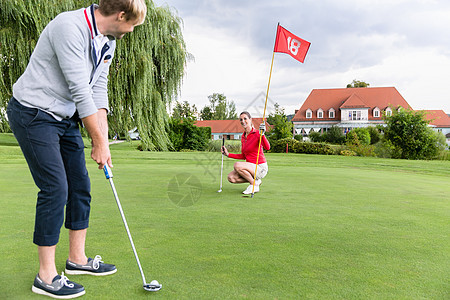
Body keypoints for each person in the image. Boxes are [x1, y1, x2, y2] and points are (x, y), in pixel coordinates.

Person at [6, 0, 147, 298]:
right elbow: (80, 90)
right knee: (55, 187)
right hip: (33, 112)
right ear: (121, 15)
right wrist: (96, 142)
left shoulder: (108, 41)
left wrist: (104, 142)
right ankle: (45, 276)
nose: (132, 30)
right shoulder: (69, 27)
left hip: (64, 117)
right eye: (132, 25)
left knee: (80, 185)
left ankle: (77, 260)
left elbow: (98, 90)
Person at [222, 111, 270, 194]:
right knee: (231, 178)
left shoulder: (258, 133)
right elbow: (243, 156)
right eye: (241, 119)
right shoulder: (243, 137)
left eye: (245, 118)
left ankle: (253, 184)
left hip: (260, 167)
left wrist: (263, 135)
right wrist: (228, 154)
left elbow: (267, 147)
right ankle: (256, 182)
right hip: (250, 168)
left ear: (250, 119)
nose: (243, 121)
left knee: (237, 165)